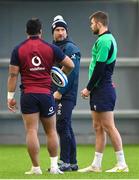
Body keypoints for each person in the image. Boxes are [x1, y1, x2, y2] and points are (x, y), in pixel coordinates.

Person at [7, 18, 74, 175]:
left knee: (31, 131)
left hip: (28, 95)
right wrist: (59, 76)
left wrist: (10, 96)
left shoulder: (18, 49)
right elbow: (70, 64)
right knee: (51, 131)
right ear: (41, 31)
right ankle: (54, 167)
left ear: (26, 32)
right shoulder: (50, 48)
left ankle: (36, 168)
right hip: (46, 94)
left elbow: (12, 75)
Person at [78, 11, 129, 173]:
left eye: (92, 23)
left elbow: (100, 68)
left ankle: (122, 164)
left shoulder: (105, 40)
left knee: (108, 126)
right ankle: (96, 165)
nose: (91, 26)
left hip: (103, 89)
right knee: (98, 127)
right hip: (99, 90)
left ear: (99, 24)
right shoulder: (103, 39)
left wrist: (88, 88)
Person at [51, 15, 81, 171]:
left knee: (62, 125)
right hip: (56, 94)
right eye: (57, 30)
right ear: (53, 32)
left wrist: (60, 92)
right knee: (66, 126)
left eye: (63, 29)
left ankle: (64, 161)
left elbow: (72, 72)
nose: (60, 33)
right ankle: (72, 162)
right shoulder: (53, 47)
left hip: (65, 95)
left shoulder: (71, 48)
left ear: (67, 31)